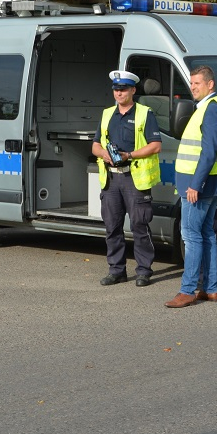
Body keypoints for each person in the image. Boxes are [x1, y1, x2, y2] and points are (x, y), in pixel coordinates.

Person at [165, 65, 217, 308]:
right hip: (206, 184)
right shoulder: (208, 107)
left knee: (191, 236)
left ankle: (188, 290)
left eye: (197, 83)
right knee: (206, 234)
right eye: (191, 83)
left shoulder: (212, 109)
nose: (193, 87)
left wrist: (196, 184)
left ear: (210, 84)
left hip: (199, 185)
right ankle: (210, 289)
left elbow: (209, 151)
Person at [90, 70, 162, 287]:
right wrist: (104, 153)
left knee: (140, 227)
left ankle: (143, 271)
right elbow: (94, 145)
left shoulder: (144, 113)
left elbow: (156, 145)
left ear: (133, 90)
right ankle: (116, 270)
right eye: (115, 89)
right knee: (112, 227)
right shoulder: (106, 114)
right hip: (111, 180)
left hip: (134, 178)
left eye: (123, 89)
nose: (118, 93)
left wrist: (128, 155)